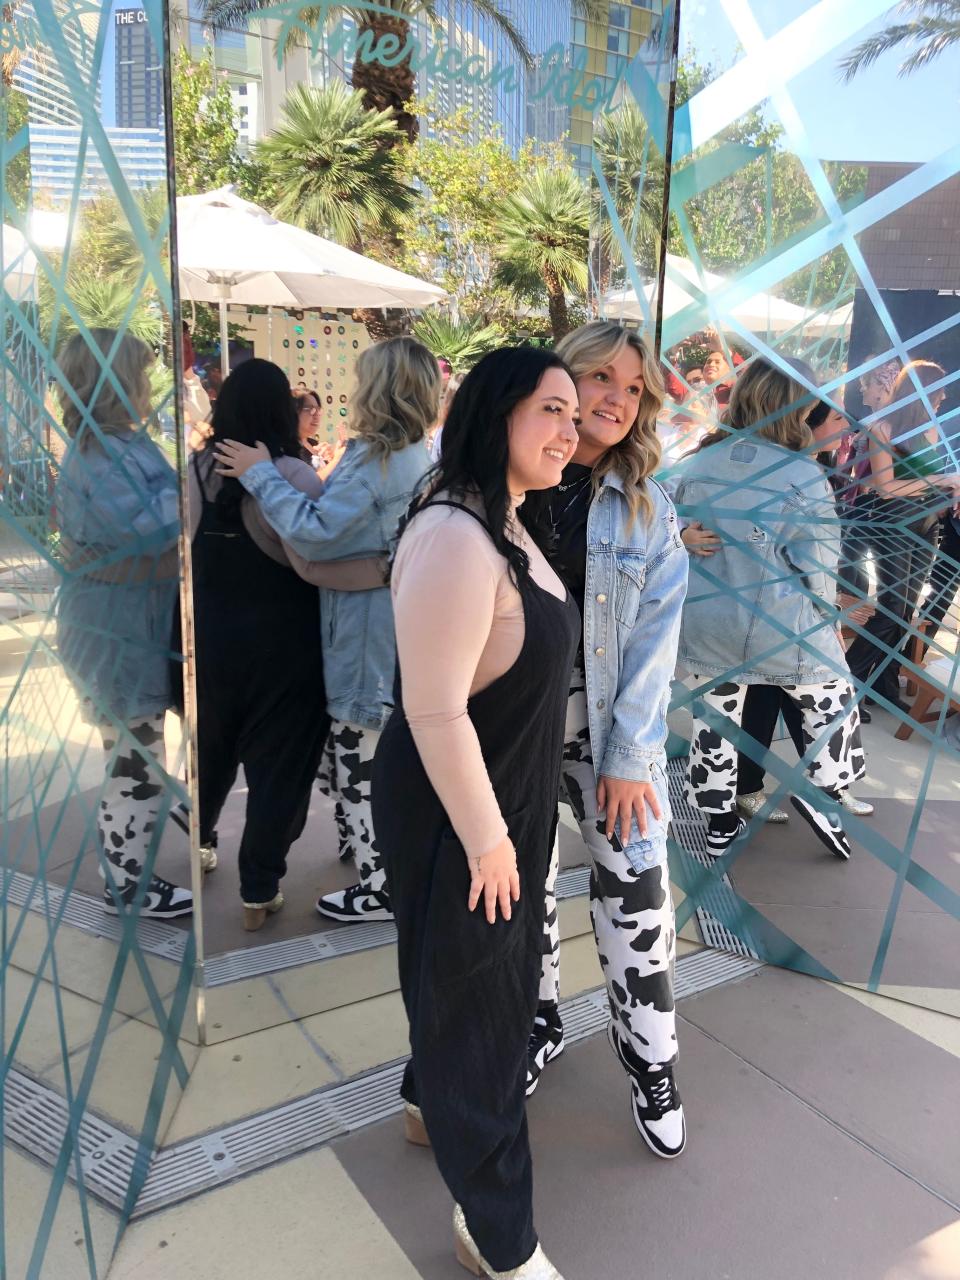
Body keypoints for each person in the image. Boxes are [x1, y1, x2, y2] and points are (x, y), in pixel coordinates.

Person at [372, 346, 580, 1280]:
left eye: (574, 415)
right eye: (551, 409)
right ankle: (499, 1234)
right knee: (485, 1012)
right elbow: (433, 707)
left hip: (503, 801)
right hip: (461, 813)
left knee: (465, 987)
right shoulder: (456, 532)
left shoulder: (510, 521)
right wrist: (490, 841)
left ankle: (427, 1103)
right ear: (494, 413)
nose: (570, 429)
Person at [531, 322, 691, 1163]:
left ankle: (651, 1062)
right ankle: (538, 1019)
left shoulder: (645, 507)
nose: (617, 400)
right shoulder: (507, 483)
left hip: (609, 734)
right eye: (601, 376)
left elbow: (654, 647)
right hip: (514, 734)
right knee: (518, 896)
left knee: (635, 901)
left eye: (633, 389)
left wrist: (628, 758)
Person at [213, 336, 438, 923]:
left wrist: (262, 476)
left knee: (360, 761)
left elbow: (314, 532)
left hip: (365, 637)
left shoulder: (376, 459)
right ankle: (382, 864)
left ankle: (380, 887)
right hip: (400, 627)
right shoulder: (422, 454)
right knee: (379, 756)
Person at [191, 359, 383, 930]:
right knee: (280, 771)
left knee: (213, 749)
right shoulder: (294, 475)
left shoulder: (198, 467)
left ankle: (200, 841)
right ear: (281, 410)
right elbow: (317, 551)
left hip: (212, 637)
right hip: (285, 647)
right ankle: (258, 887)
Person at [672, 358, 867, 860]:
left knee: (713, 725)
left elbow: (659, 526)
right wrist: (831, 620)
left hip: (705, 621)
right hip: (781, 624)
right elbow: (818, 568)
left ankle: (718, 823)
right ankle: (826, 792)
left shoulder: (699, 462)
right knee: (833, 697)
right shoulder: (802, 474)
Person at [54, 330, 192, 919]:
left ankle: (134, 871)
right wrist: (195, 485)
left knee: (138, 751)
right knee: (133, 759)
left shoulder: (120, 445)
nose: (148, 387)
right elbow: (149, 528)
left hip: (132, 625)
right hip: (114, 631)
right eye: (140, 374)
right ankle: (128, 885)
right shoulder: (99, 455)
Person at [732, 392, 873, 823]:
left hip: (805, 608)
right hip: (776, 607)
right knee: (770, 696)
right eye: (835, 420)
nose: (845, 430)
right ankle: (753, 786)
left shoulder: (819, 471)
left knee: (819, 700)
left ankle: (827, 785)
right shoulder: (781, 472)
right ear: (806, 424)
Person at [844, 360, 959, 719]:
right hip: (892, 522)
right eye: (938, 392)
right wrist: (942, 482)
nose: (942, 399)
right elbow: (886, 488)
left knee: (906, 612)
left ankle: (883, 684)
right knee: (892, 609)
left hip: (927, 523)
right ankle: (845, 687)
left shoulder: (932, 430)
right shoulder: (884, 427)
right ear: (921, 391)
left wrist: (950, 495)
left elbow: (933, 478)